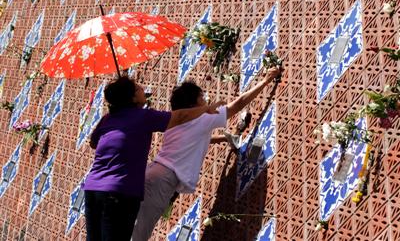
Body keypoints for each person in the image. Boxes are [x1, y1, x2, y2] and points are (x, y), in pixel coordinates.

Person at [131, 66, 282, 240]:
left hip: (153, 175)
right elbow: (238, 104)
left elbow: (196, 140)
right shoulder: (201, 117)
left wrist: (224, 138)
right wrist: (266, 80)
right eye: (201, 97)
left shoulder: (175, 122)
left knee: (132, 228)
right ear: (192, 104)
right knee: (138, 236)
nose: (205, 100)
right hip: (162, 181)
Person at [83, 76, 224, 241]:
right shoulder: (143, 116)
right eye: (138, 88)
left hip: (92, 188)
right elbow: (179, 117)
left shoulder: (107, 119)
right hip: (119, 191)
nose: (143, 89)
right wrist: (205, 109)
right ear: (133, 98)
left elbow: (93, 143)